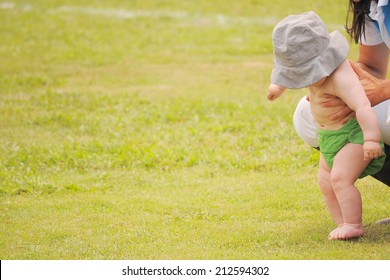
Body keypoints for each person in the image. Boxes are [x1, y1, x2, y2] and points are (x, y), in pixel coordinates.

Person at [267, 11, 386, 240]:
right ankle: (342, 222)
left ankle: (353, 223)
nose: (304, 81)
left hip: (353, 135)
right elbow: (287, 76)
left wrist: (371, 138)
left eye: (305, 75)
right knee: (326, 180)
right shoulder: (315, 74)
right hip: (329, 136)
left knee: (341, 178)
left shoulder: (341, 77)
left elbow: (362, 106)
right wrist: (277, 88)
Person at [293, 0, 390, 187]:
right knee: (307, 115)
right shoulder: (370, 4)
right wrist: (332, 86)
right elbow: (372, 67)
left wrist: (384, 90)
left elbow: (380, 86)